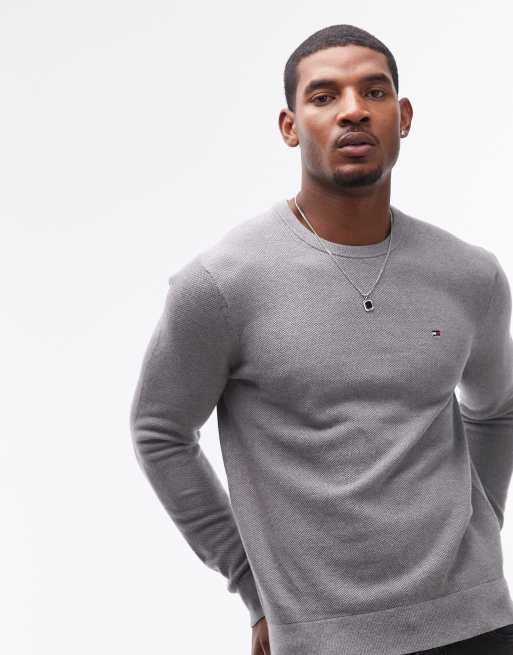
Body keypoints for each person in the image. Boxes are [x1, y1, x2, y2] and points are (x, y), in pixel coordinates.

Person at [129, 24, 513, 655]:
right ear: (290, 126)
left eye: (374, 92)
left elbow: (496, 410)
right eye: (324, 95)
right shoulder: (223, 282)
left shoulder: (471, 275)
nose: (353, 110)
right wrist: (252, 584)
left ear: (403, 117)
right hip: (321, 637)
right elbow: (159, 431)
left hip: (478, 622)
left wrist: (483, 528)